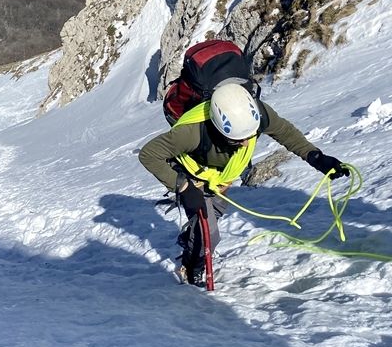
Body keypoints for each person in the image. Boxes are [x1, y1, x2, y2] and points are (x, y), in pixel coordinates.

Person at [139, 82, 349, 286]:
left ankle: (193, 240)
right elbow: (149, 154)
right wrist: (184, 188)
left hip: (223, 175)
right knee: (208, 233)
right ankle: (192, 270)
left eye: (250, 136)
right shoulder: (192, 132)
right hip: (193, 175)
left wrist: (316, 158)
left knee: (214, 214)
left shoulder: (255, 114)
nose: (247, 143)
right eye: (237, 140)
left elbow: (285, 132)